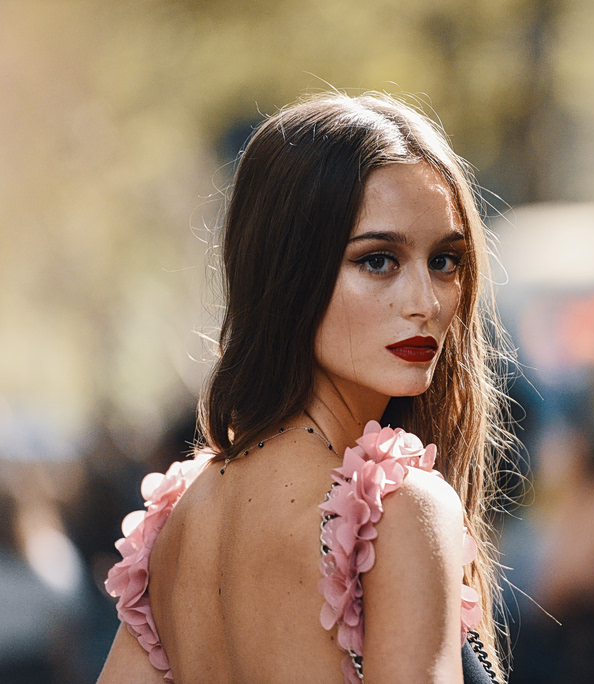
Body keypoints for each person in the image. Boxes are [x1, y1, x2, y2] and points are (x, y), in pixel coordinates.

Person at [97, 92, 510, 683]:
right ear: (287, 271)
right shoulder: (398, 509)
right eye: (378, 261)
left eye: (444, 261)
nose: (426, 303)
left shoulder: (175, 524)